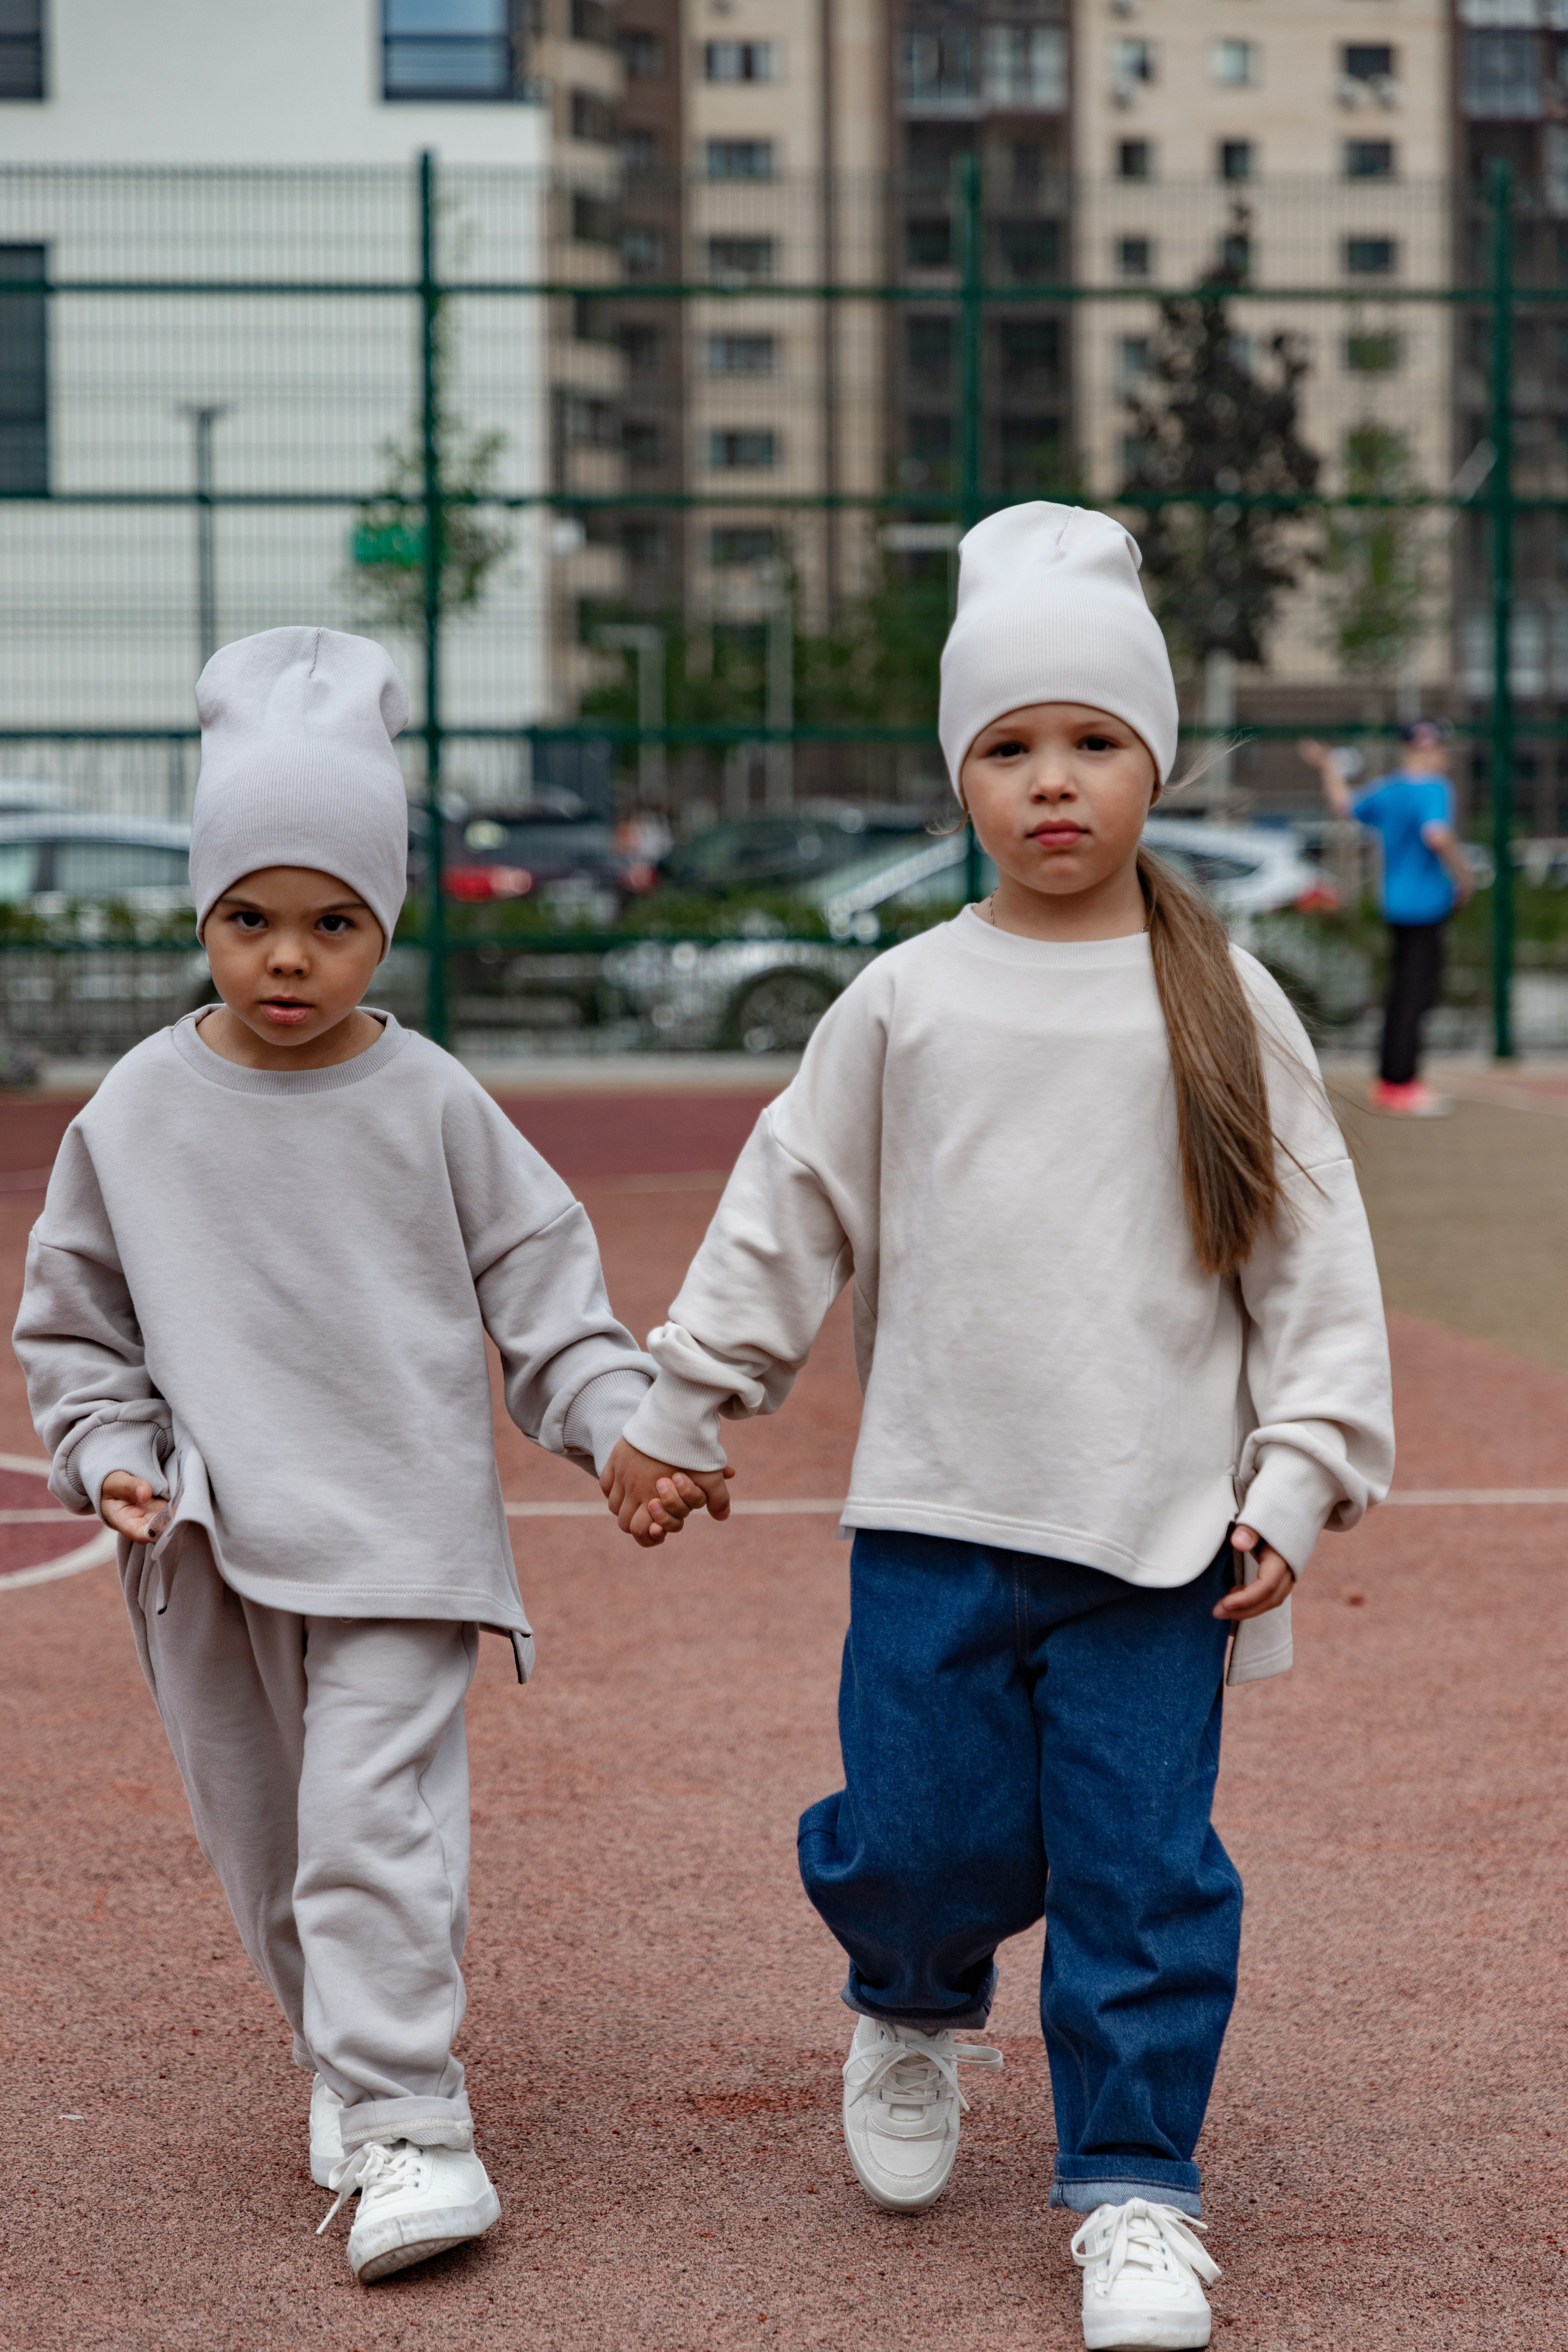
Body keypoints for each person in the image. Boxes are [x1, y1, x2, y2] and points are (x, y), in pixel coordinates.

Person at [600, 506, 1395, 2350]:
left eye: (1093, 741)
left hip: (1154, 1545)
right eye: (1010, 745)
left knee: (1140, 1873)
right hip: (938, 1523)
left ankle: (1132, 2186)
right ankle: (904, 1990)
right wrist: (681, 1402)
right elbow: (786, 1200)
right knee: (923, 1835)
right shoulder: (904, 997)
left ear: (1154, 761)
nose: (1053, 781)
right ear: (959, 769)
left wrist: (1292, 1467)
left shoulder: (1220, 999)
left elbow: (1314, 1255)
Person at [12, 628, 725, 2285]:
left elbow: (551, 1304)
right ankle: (348, 2061)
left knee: (366, 1830)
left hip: (403, 1535)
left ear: (385, 925)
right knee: (273, 1850)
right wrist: (111, 1454)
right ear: (200, 915)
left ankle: (414, 2124)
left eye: (333, 922)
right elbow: (74, 1331)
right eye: (250, 917)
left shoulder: (436, 1102)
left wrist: (627, 1431)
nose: (287, 957)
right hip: (207, 1551)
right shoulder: (132, 1113)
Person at [1297, 723, 1474, 1117]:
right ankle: (1401, 1083)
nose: (1443, 757)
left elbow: (1343, 805)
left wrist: (1328, 766)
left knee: (1400, 994)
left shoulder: (1390, 790)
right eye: (1441, 749)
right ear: (1431, 751)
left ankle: (1391, 1081)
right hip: (1427, 906)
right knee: (1417, 995)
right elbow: (1437, 835)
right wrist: (1464, 875)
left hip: (1395, 905)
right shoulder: (1434, 788)